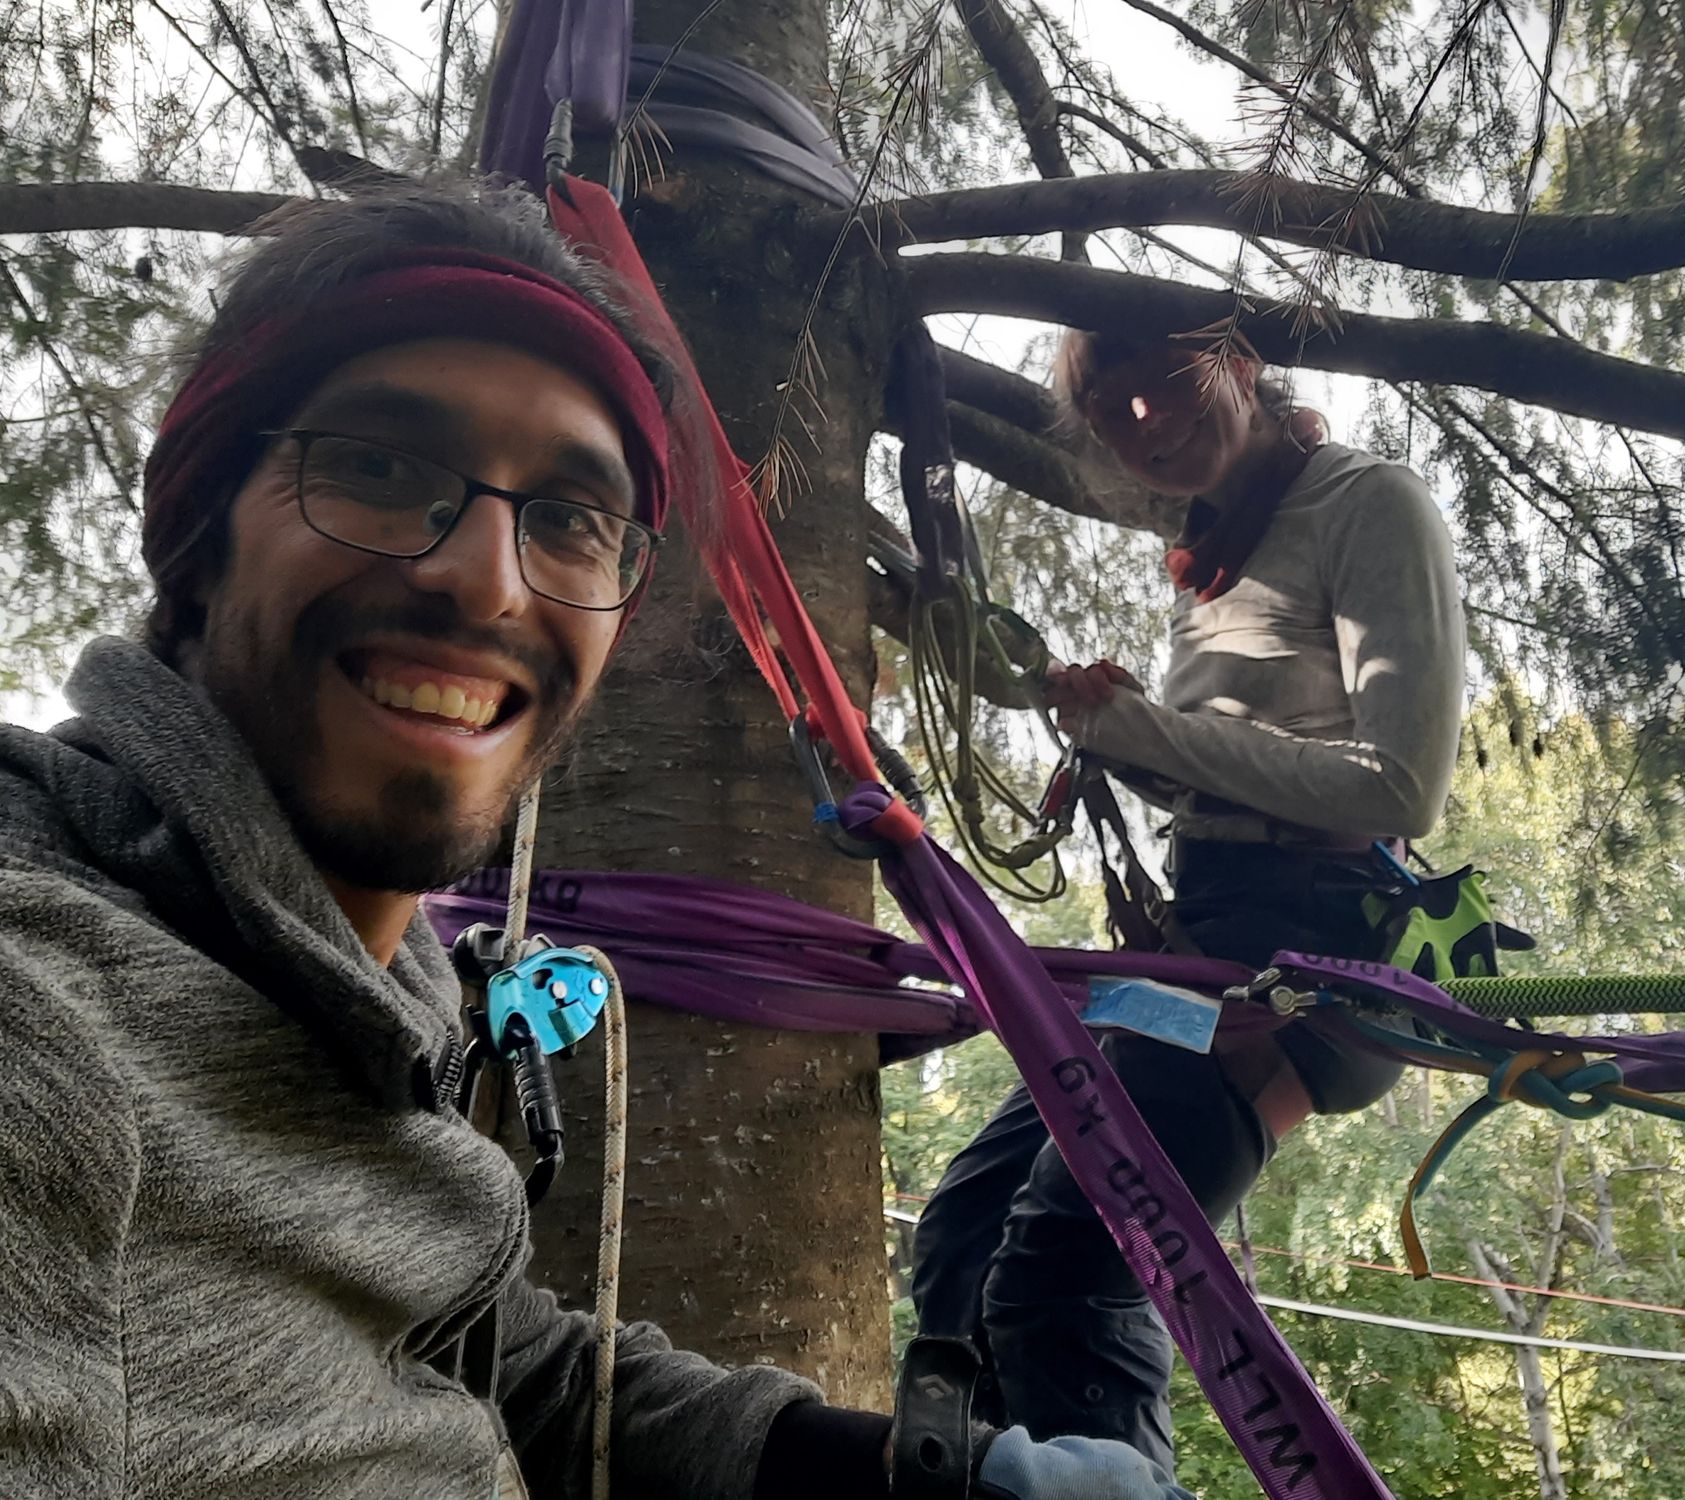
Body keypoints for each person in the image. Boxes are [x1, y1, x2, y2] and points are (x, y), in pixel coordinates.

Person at [0, 180, 1194, 1500]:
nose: (487, 580)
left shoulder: (364, 993)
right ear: (198, 534)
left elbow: (500, 1363)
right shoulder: (43, 1008)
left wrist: (908, 1479)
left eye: (571, 517)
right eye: (382, 469)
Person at [911, 330, 1466, 1467]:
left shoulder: (1366, 501)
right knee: (962, 1234)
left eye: (1163, 384)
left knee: (1062, 1275)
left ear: (1241, 364)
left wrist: (1147, 733)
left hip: (1303, 949)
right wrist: (1119, 737)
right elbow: (1226, 767)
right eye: (1109, 408)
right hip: (1202, 935)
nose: (1141, 421)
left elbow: (1396, 788)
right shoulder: (1210, 549)